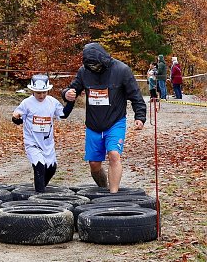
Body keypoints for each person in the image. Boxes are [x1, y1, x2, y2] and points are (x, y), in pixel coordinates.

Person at [62, 42, 146, 193]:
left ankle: (113, 195)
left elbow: (136, 96)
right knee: (94, 164)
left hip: (115, 122)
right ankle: (103, 189)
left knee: (114, 155)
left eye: (97, 65)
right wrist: (66, 93)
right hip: (93, 125)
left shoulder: (122, 70)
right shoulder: (84, 72)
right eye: (91, 66)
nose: (94, 68)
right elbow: (72, 89)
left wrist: (140, 116)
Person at [12, 74, 74, 193]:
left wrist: (71, 102)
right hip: (32, 142)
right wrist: (16, 118)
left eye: (44, 92)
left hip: (47, 142)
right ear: (32, 91)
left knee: (51, 168)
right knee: (39, 166)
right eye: (38, 93)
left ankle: (39, 190)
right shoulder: (26, 103)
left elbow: (63, 114)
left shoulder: (52, 102)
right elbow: (17, 119)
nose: (41, 95)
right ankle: (39, 195)